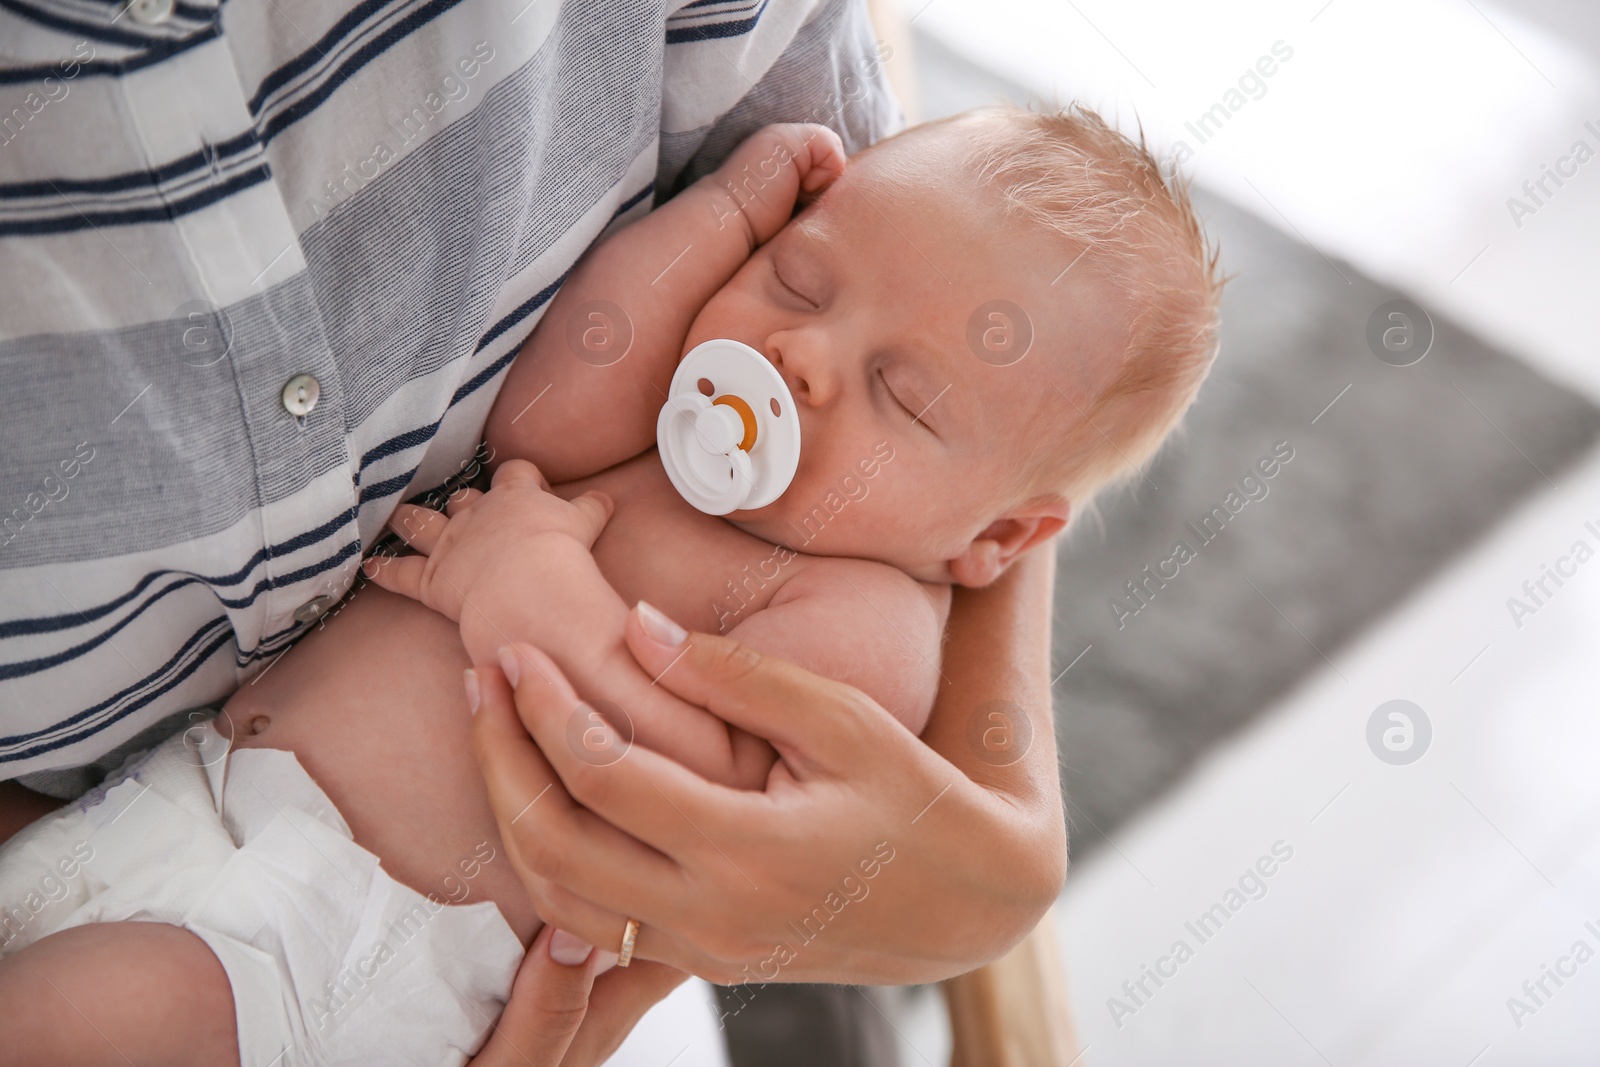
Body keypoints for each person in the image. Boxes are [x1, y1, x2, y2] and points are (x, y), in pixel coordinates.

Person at [0, 0, 1075, 1060]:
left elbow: (684, 793)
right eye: (800, 277)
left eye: (906, 396)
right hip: (169, 809)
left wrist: (537, 590)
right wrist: (727, 220)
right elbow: (538, 421)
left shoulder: (866, 617)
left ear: (996, 537)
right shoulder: (670, 452)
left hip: (336, 939)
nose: (803, 355)